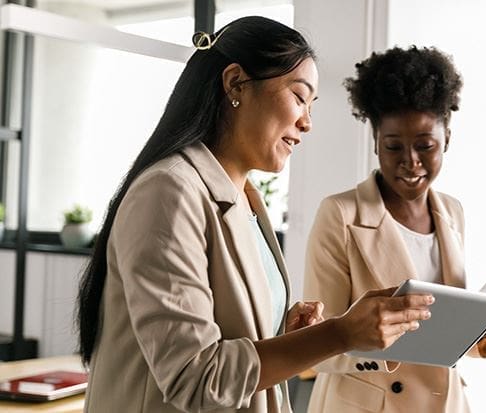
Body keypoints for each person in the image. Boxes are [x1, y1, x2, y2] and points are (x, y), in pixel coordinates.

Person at [76, 17, 434, 413]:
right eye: (299, 97)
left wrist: (286, 331)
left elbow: (230, 335)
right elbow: (196, 379)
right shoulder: (168, 192)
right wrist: (338, 334)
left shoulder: (247, 200)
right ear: (235, 84)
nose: (307, 122)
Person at [303, 45, 486, 412]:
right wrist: (383, 343)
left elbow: (440, 328)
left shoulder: (452, 212)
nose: (411, 162)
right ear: (376, 142)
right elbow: (317, 344)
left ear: (447, 141)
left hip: (445, 402)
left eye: (426, 146)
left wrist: (477, 335)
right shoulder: (339, 215)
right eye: (394, 147)